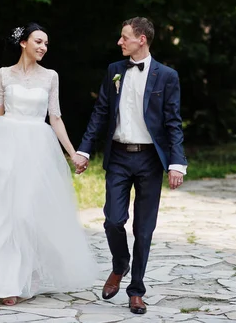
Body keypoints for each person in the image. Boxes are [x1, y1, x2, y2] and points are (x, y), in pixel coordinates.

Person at [0, 23, 98, 306]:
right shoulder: (3, 74)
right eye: (38, 41)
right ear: (23, 42)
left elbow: (56, 118)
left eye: (46, 44)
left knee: (26, 214)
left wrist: (73, 153)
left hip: (37, 150)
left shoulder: (50, 77)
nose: (43, 47)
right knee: (3, 216)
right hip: (5, 146)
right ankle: (4, 283)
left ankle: (28, 275)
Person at [73, 17, 187, 314]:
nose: (119, 42)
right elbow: (100, 113)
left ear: (141, 40)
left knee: (144, 229)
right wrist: (84, 149)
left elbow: (173, 122)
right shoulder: (114, 71)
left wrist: (177, 162)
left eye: (124, 37)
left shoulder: (167, 76)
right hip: (119, 156)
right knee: (112, 219)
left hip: (151, 159)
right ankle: (120, 264)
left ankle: (136, 290)